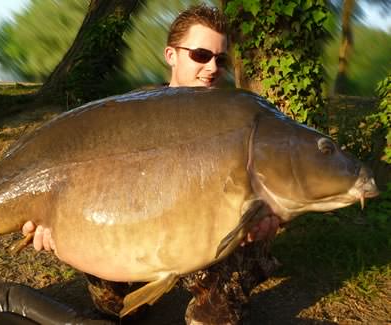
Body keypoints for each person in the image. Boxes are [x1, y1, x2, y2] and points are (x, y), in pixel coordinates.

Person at [21, 4, 280, 324]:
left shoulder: (235, 116)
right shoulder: (131, 113)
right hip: (140, 225)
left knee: (231, 274)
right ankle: (127, 299)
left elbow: (274, 182)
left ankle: (214, 306)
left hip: (203, 233)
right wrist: (53, 222)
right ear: (171, 55)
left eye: (220, 59)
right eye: (200, 54)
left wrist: (270, 218)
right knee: (116, 309)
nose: (212, 67)